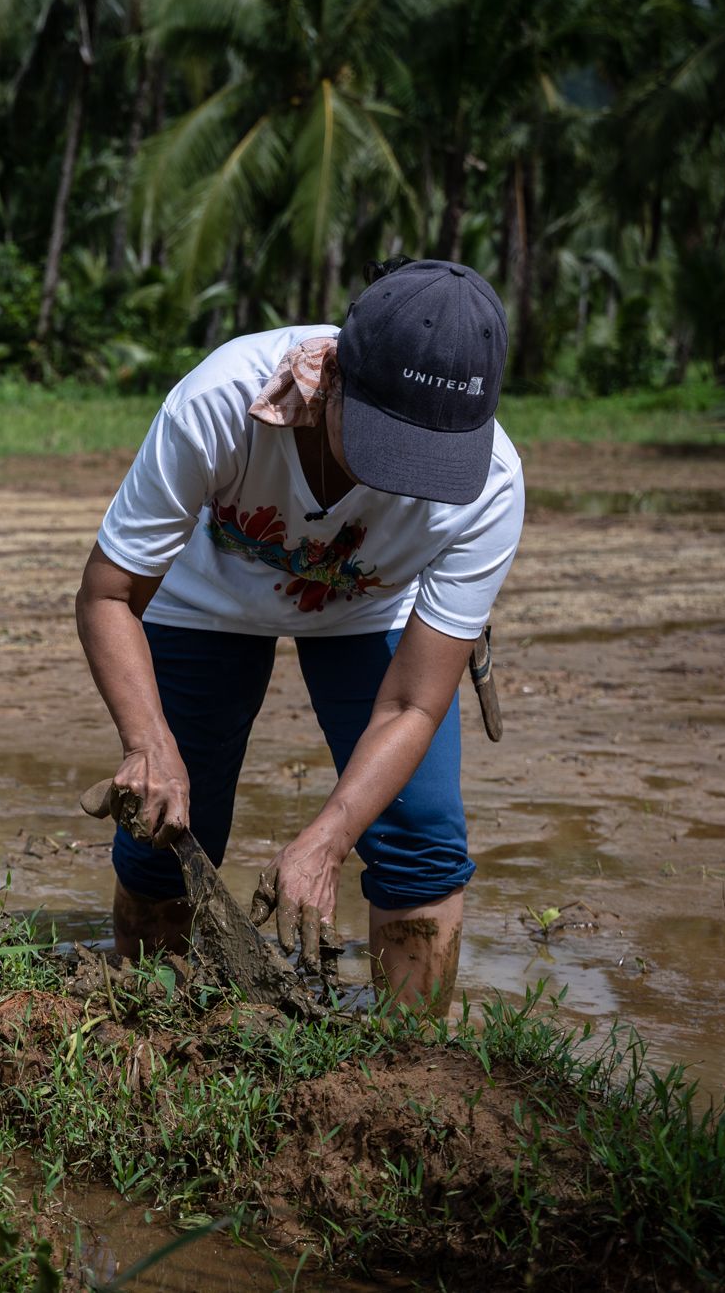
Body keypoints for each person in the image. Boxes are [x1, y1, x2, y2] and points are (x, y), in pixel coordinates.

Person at [73, 258, 524, 1012]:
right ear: (335, 375)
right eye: (389, 449)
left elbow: (414, 704)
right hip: (203, 596)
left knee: (421, 839)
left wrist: (328, 836)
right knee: (168, 834)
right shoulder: (221, 402)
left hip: (370, 606)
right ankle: (150, 1024)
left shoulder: (494, 485)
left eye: (430, 461)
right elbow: (108, 592)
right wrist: (148, 743)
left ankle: (411, 1067)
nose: (404, 485)